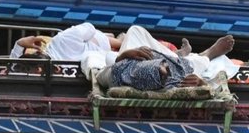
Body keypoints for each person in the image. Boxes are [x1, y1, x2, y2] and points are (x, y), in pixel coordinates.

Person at [93, 28, 238, 92]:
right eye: (165, 69)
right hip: (178, 65)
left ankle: (176, 55)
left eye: (164, 66)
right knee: (195, 64)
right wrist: (201, 83)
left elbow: (100, 74)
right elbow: (211, 89)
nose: (166, 67)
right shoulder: (175, 80)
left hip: (141, 57)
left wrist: (125, 55)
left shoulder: (118, 71)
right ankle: (208, 53)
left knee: (135, 30)